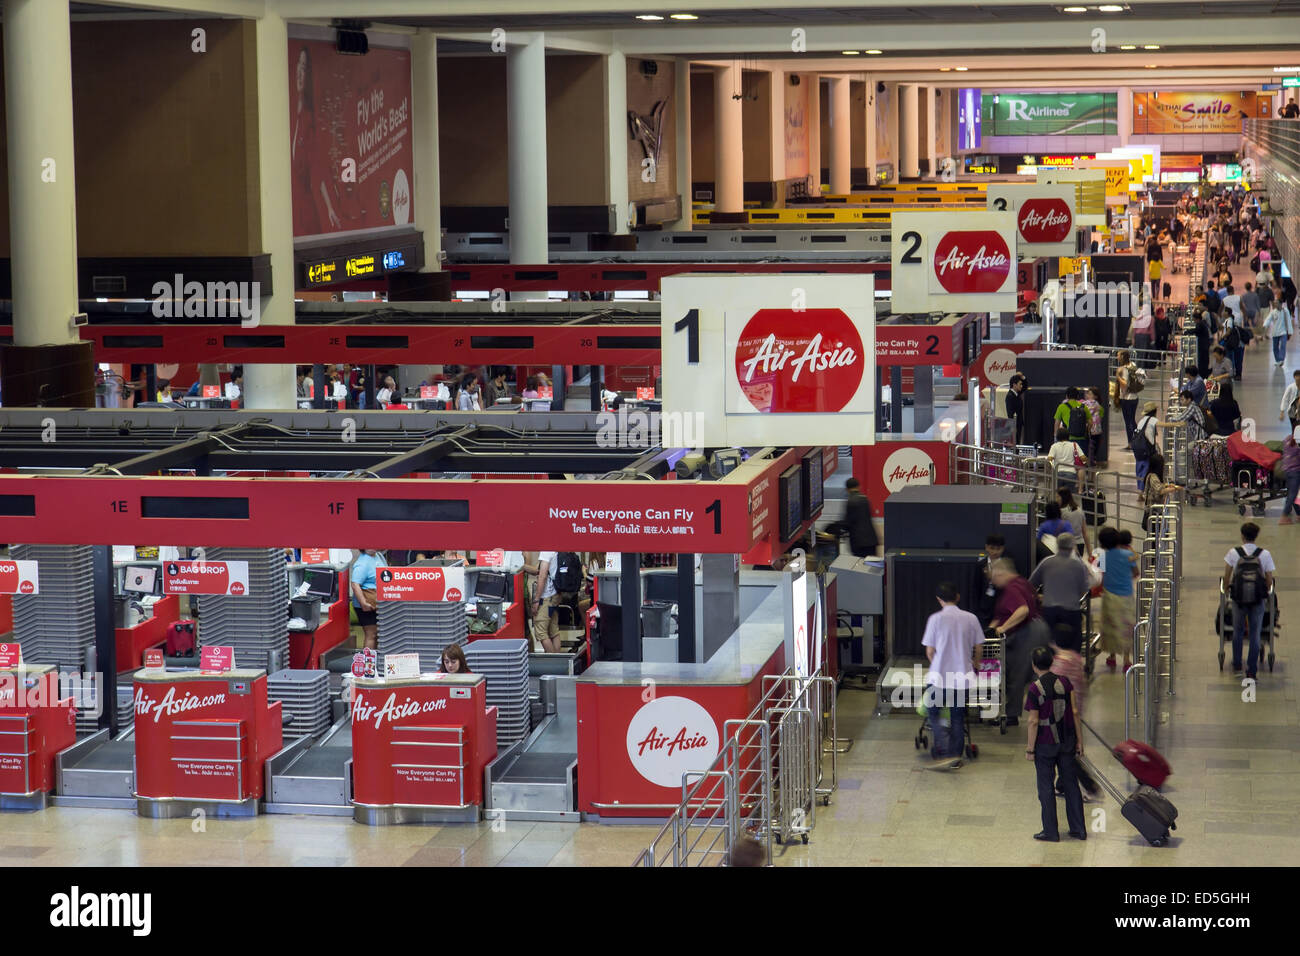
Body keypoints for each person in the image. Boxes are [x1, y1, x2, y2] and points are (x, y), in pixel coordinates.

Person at [920, 581, 985, 770]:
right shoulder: (971, 618)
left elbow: (930, 652)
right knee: (957, 717)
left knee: (934, 714)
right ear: (957, 597)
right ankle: (955, 756)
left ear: (939, 599)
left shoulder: (935, 619)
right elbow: (978, 647)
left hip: (939, 677)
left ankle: (942, 749)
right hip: (962, 677)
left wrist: (938, 664)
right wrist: (975, 663)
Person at [1025, 646, 1087, 842]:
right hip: (1067, 741)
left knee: (1046, 786)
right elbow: (1075, 712)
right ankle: (1079, 829)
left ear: (1034, 666)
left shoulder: (1035, 689)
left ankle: (1050, 831)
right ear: (1051, 662)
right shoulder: (1065, 682)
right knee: (1071, 785)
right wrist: (1080, 740)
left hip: (1045, 744)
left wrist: (1029, 748)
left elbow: (1033, 721)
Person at [989, 557, 1046, 727]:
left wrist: (1002, 628)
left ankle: (1012, 714)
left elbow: (1022, 610)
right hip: (1036, 629)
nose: (993, 581)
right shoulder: (1022, 582)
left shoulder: (1012, 588)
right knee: (1025, 673)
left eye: (994, 577)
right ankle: (1015, 712)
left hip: (1027, 633)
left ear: (1001, 573)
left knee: (1016, 674)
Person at [1223, 522, 1276, 680]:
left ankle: (1237, 663)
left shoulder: (1234, 553)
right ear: (1256, 536)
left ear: (1242, 535)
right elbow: (1269, 579)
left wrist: (1226, 589)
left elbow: (1227, 577)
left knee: (1238, 631)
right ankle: (1252, 669)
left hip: (1239, 599)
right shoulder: (1264, 554)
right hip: (1257, 600)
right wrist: (1264, 592)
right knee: (1255, 633)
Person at [1029, 533, 1092, 653]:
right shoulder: (1078, 565)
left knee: (1048, 642)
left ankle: (1050, 667)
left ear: (1057, 545)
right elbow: (1084, 589)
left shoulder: (1047, 562)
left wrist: (1040, 596)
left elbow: (1031, 583)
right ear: (1072, 546)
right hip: (1071, 611)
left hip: (1049, 611)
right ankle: (1069, 668)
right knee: (1073, 645)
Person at [1096, 526, 1139, 672]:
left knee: (1110, 627)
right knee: (1127, 626)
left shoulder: (1102, 557)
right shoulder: (1128, 555)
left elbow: (1100, 577)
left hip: (1109, 596)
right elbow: (1135, 572)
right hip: (1126, 595)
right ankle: (1127, 659)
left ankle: (1112, 657)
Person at [349, 548, 386, 651]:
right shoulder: (363, 563)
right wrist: (363, 603)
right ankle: (368, 664)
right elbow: (355, 584)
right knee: (371, 634)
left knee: (378, 634)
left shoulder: (378, 555)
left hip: (378, 602)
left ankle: (376, 660)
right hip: (367, 604)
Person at [1140, 451, 1183, 533]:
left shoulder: (1152, 475)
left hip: (1154, 510)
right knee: (1156, 534)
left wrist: (1167, 485)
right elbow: (1160, 490)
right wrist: (1175, 488)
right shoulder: (1153, 476)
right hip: (1153, 511)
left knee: (1158, 533)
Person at [531, 551, 564, 654]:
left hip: (546, 597)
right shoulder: (556, 548)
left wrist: (536, 599)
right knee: (553, 630)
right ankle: (559, 664)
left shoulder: (546, 551)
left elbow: (543, 576)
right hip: (555, 595)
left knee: (541, 632)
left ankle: (553, 664)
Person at [838, 478, 878, 558]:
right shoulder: (865, 499)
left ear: (847, 489)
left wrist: (840, 530)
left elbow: (848, 522)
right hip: (871, 539)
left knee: (860, 566)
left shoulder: (850, 502)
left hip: (858, 542)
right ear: (858, 487)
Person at [1114, 350, 1144, 447]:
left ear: (1122, 357)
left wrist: (1118, 376)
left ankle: (1132, 442)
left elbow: (1125, 384)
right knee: (1131, 420)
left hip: (1126, 398)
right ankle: (1135, 440)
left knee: (1128, 422)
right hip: (1134, 397)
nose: (1117, 357)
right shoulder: (1133, 365)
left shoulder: (1123, 369)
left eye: (1118, 355)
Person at [976, 534, 1007, 627]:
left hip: (1002, 609)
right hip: (984, 610)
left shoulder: (1007, 565)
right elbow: (975, 588)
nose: (994, 552)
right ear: (986, 547)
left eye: (998, 549)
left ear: (1003, 548)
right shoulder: (980, 565)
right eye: (992, 548)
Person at [1047, 427, 1085, 494]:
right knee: (1068, 495)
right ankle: (1080, 490)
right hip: (1071, 475)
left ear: (1057, 436)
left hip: (1057, 474)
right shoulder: (1074, 445)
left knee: (1058, 495)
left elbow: (1049, 460)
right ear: (1068, 436)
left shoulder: (1054, 446)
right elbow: (1083, 458)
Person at [1057, 487, 1089, 557]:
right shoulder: (1080, 510)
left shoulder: (1061, 512)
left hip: (1066, 544)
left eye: (1058, 497)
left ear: (1063, 497)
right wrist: (1090, 552)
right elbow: (1085, 533)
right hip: (1080, 544)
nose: (1056, 499)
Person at [1264, 296, 1295, 368]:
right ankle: (1278, 360)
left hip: (1283, 332)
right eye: (1274, 303)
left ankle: (1281, 359)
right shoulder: (1273, 312)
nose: (1275, 304)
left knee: (1283, 346)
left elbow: (1288, 321)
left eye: (1277, 303)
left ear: (1281, 304)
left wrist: (1290, 332)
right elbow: (1268, 319)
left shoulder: (1285, 311)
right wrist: (1265, 324)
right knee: (1275, 347)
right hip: (1275, 332)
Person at [1280, 426, 1300, 526]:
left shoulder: (1287, 438)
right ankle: (1284, 516)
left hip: (1287, 471)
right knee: (1293, 494)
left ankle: (1299, 514)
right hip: (1295, 472)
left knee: (1293, 493)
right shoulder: (1298, 444)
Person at [1083, 387, 1105, 465]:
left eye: (1090, 394)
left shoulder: (1084, 405)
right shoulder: (1100, 407)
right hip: (1097, 431)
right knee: (1094, 448)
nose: (1087, 395)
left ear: (1096, 396)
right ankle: (1093, 461)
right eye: (1087, 393)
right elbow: (1100, 419)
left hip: (1088, 430)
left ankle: (1089, 461)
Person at [1004, 374, 1027, 444]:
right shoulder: (1010, 396)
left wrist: (1023, 377)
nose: (1021, 386)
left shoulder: (1017, 394)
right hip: (1014, 426)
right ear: (1014, 385)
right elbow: (1010, 413)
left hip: (1018, 424)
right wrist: (1013, 426)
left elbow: (1025, 387)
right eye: (1020, 384)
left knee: (1017, 443)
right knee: (1015, 444)